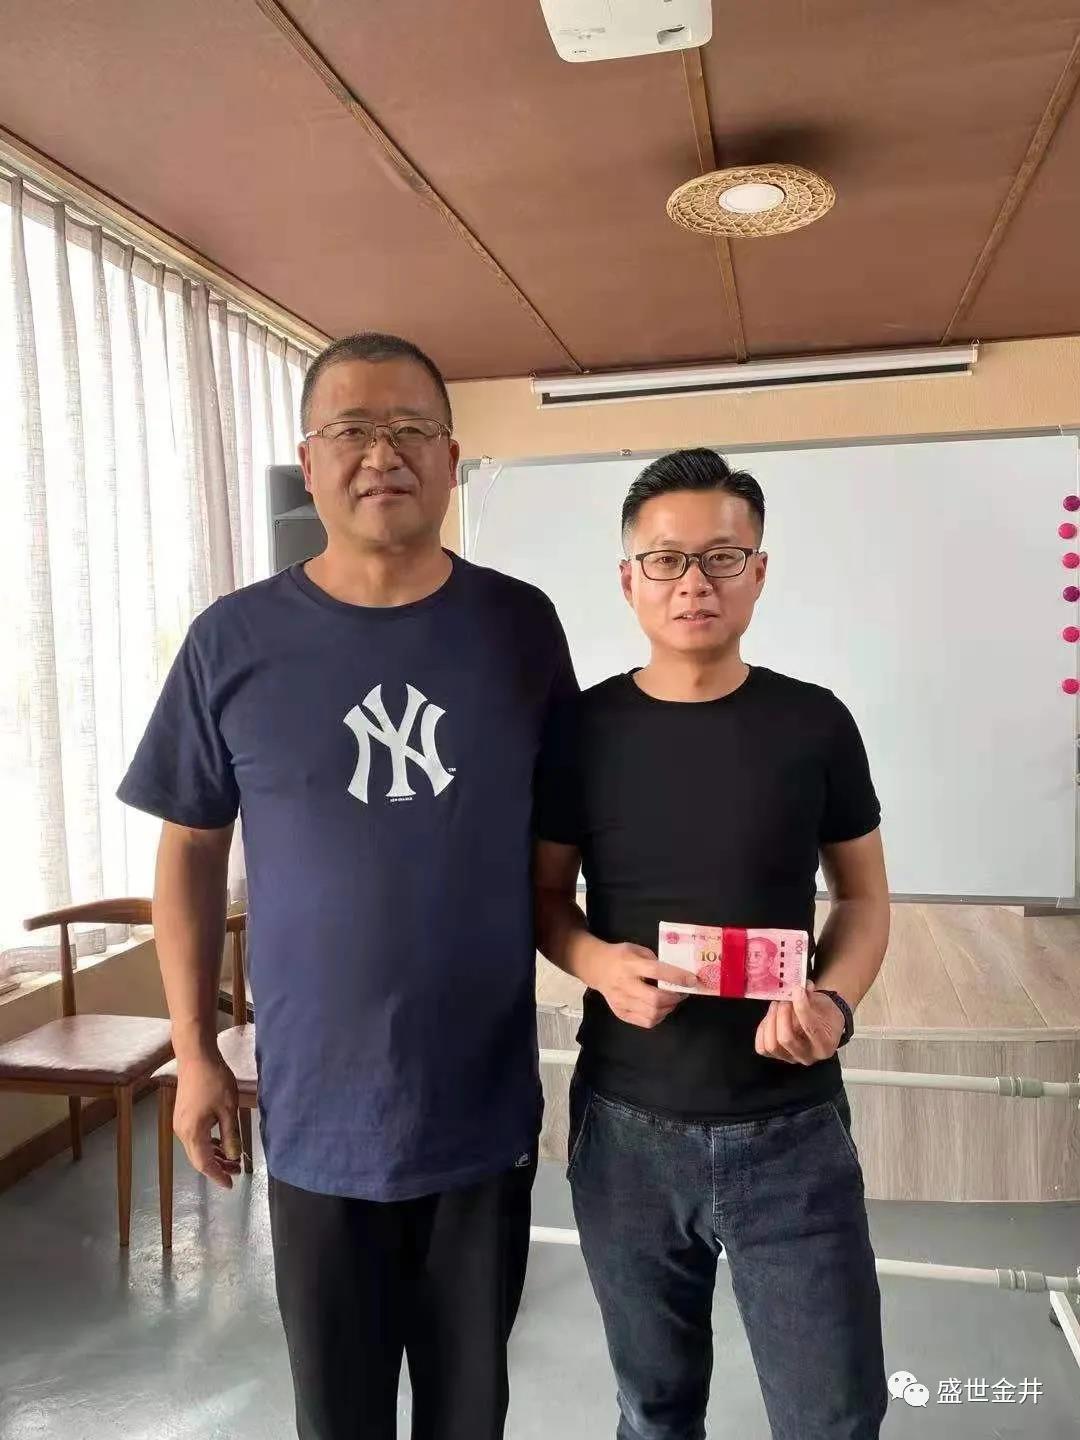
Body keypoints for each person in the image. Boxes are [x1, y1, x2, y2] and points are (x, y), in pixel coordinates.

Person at [119, 332, 576, 1440]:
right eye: (353, 430)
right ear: (309, 461)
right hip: (319, 1111)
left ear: (452, 459)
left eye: (413, 428)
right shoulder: (232, 640)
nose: (384, 453)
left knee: (469, 1411)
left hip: (480, 1105)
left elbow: (562, 834)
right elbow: (189, 849)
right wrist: (194, 1052)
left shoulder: (520, 626)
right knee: (337, 1414)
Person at [534, 447, 891, 1440]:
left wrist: (835, 1003)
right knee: (654, 1412)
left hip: (791, 1128)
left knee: (833, 1417)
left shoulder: (815, 723)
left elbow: (864, 899)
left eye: (722, 557)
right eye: (666, 560)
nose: (694, 582)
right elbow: (545, 898)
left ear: (758, 571)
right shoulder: (581, 730)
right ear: (629, 579)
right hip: (627, 1130)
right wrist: (599, 965)